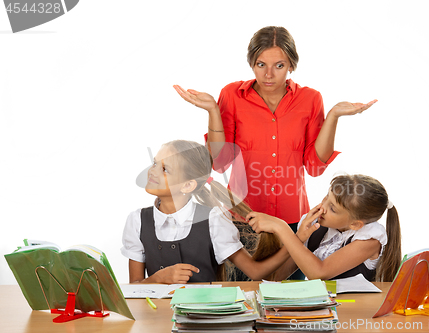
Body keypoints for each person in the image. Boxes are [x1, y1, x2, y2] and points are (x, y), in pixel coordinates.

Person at [173, 26, 377, 230]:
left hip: (291, 219)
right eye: (261, 64)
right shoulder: (232, 95)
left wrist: (333, 116)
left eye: (279, 66)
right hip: (241, 218)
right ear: (252, 64)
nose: (268, 74)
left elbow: (315, 167)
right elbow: (220, 163)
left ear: (291, 66)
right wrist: (213, 111)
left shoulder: (310, 99)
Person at [120, 140, 317, 283]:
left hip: (206, 319)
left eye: (165, 169)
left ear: (187, 185)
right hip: (156, 320)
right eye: (155, 163)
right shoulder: (137, 220)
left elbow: (255, 273)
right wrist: (157, 279)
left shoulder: (213, 219)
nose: (152, 171)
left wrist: (297, 239)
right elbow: (135, 287)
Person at [246, 174, 402, 282]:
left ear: (355, 224)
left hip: (354, 315)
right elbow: (276, 277)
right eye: (327, 196)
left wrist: (282, 228)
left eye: (333, 208)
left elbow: (319, 272)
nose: (323, 207)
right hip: (324, 313)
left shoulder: (369, 239)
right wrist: (299, 238)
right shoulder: (319, 229)